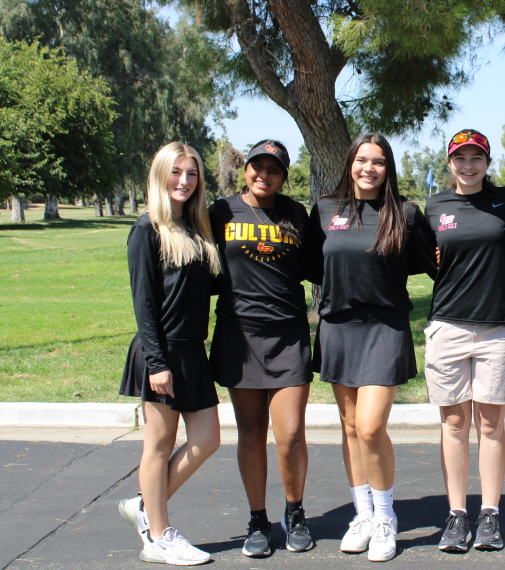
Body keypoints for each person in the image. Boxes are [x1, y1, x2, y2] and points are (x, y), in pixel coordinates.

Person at [309, 133, 437, 562]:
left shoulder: (406, 213)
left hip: (385, 327)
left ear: (389, 168)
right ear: (350, 163)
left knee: (369, 427)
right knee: (348, 427)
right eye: (362, 160)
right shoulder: (326, 209)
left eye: (378, 161)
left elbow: (433, 263)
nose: (369, 168)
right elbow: (313, 264)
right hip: (338, 328)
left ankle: (385, 518)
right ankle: (362, 515)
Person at [423, 129, 505, 552]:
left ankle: (489, 514)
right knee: (453, 424)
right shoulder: (434, 206)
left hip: (497, 328)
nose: (468, 166)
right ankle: (456, 515)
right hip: (447, 326)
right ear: (450, 163)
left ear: (488, 163)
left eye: (477, 158)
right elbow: (427, 257)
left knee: (490, 424)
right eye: (460, 158)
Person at [208, 140, 319, 557]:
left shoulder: (295, 214)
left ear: (283, 176)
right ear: (245, 169)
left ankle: (295, 512)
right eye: (257, 166)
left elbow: (317, 265)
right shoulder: (220, 212)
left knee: (289, 434)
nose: (264, 175)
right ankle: (258, 518)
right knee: (252, 432)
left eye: (273, 169)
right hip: (240, 336)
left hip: (288, 335)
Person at [117, 142, 222, 566]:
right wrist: (157, 364)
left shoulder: (197, 228)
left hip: (193, 352)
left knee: (207, 439)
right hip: (160, 352)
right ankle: (158, 536)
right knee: (159, 446)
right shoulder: (148, 228)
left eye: (192, 173)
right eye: (176, 172)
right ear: (161, 175)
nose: (184, 181)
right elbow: (143, 301)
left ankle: (144, 506)